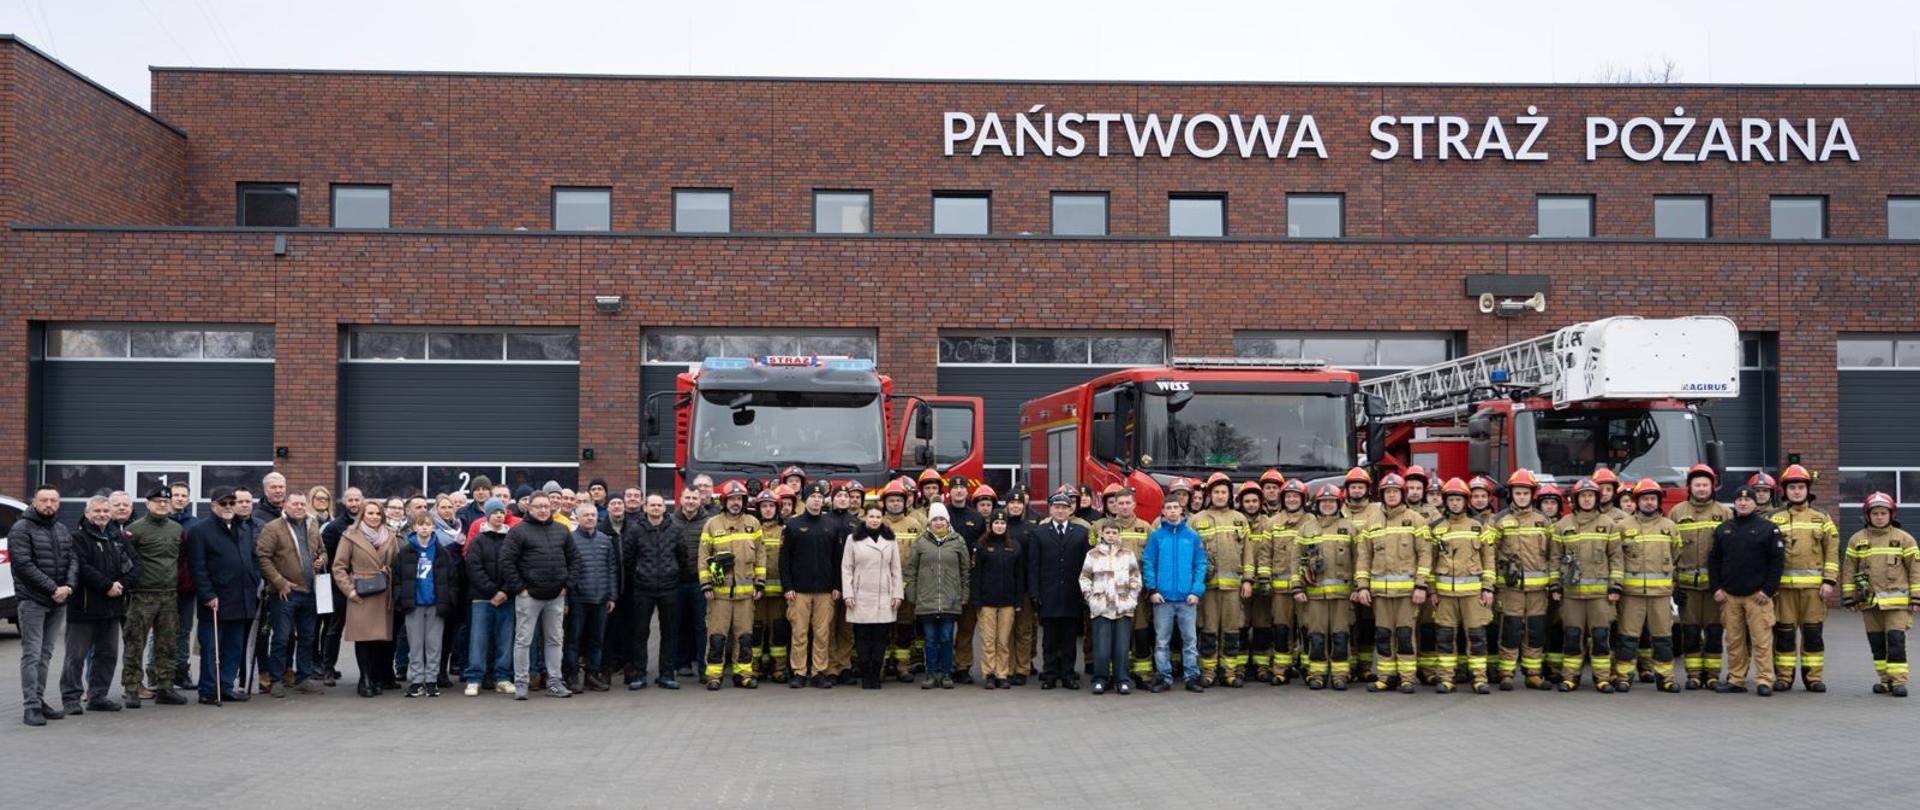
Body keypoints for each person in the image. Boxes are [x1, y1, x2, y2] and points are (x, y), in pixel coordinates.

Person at [61, 495, 138, 715]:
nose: (102, 515)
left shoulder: (118, 537)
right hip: (84, 609)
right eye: (97, 511)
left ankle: (98, 696)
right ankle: (71, 698)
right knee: (75, 657)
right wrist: (107, 586)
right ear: (87, 514)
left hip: (112, 608)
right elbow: (82, 567)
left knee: (107, 655)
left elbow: (136, 565)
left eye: (105, 511)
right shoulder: (77, 538)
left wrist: (121, 585)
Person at [1768, 464, 1841, 692]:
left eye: (1800, 487)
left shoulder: (1821, 518)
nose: (1797, 491)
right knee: (1784, 636)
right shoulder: (1774, 518)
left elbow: (1832, 550)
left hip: (1813, 591)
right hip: (1783, 591)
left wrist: (1829, 582)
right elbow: (1765, 553)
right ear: (1785, 491)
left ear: (1807, 489)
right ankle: (1784, 678)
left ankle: (1813, 679)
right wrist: (1770, 585)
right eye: (1792, 487)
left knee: (1812, 636)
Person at [1353, 473, 1429, 694]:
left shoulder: (1416, 520)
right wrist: (1363, 586)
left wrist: (1421, 586)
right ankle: (1386, 677)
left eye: (1395, 491)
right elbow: (1363, 557)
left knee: (1405, 635)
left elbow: (1425, 555)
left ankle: (1407, 678)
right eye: (1388, 492)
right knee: (1383, 635)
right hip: (1380, 594)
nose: (1392, 495)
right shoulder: (1371, 523)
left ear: (1401, 494)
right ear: (1382, 495)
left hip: (1407, 594)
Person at [186, 487, 263, 705]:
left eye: (232, 503)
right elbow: (197, 568)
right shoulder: (200, 531)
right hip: (216, 600)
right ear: (213, 506)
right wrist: (208, 594)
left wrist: (254, 580)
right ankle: (209, 689)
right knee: (212, 648)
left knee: (234, 646)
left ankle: (226, 685)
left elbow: (252, 558)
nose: (229, 507)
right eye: (224, 504)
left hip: (242, 597)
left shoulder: (243, 527)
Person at [1841, 492, 1919, 697]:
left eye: (1884, 513)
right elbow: (1849, 570)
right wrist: (1849, 596)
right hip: (1870, 603)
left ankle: (1899, 682)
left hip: (1897, 604)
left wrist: (1916, 598)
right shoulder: (1857, 540)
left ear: (1891, 514)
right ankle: (1885, 680)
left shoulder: (1904, 539)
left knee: (1895, 641)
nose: (1879, 517)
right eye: (1875, 513)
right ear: (1868, 515)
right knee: (1876, 644)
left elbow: (1915, 570)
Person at [1711, 486, 1786, 695]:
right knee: (1734, 641)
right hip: (1730, 596)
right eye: (1739, 500)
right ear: (1734, 504)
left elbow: (1777, 562)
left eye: (1748, 500)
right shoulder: (1724, 529)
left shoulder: (1768, 529)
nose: (1743, 503)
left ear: (1755, 503)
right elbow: (1714, 561)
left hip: (1758, 597)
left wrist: (1768, 590)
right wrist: (1716, 588)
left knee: (1761, 641)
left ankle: (1764, 681)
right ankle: (1736, 680)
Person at [1548, 479, 1621, 693]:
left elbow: (1616, 558)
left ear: (1597, 499)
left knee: (1600, 638)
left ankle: (1602, 679)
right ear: (1576, 499)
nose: (1587, 499)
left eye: (1591, 495)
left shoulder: (1608, 524)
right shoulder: (1562, 525)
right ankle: (1570, 678)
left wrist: (1615, 587)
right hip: (1571, 595)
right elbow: (1554, 559)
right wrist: (1555, 586)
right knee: (1571, 638)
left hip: (1600, 596)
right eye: (1583, 496)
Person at [13, 485, 78, 726]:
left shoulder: (61, 529)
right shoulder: (21, 528)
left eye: (53, 500)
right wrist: (53, 589)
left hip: (58, 601)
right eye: (44, 500)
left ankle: (39, 700)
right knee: (31, 654)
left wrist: (68, 587)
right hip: (33, 601)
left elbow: (73, 559)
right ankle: (30, 706)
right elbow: (23, 565)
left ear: (59, 503)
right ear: (34, 501)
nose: (49, 504)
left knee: (45, 654)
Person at [503, 492, 577, 700]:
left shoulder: (562, 530)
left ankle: (554, 682)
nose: (543, 510)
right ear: (529, 508)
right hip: (529, 596)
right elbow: (507, 562)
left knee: (555, 640)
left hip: (556, 596)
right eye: (539, 506)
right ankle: (521, 683)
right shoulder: (518, 532)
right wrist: (520, 588)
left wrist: (566, 586)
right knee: (523, 640)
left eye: (546, 506)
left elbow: (575, 560)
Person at [254, 490, 327, 697]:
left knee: (307, 637)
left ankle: (303, 677)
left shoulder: (312, 525)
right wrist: (279, 582)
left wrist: (322, 559)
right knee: (282, 638)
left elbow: (322, 550)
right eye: (295, 504)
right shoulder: (273, 528)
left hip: (309, 592)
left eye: (303, 504)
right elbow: (263, 556)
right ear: (285, 505)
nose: (299, 508)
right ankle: (276, 679)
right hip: (285, 593)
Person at [121, 487, 188, 708]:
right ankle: (131, 688)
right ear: (147, 503)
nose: (162, 505)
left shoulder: (176, 529)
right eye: (157, 501)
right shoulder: (135, 530)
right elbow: (124, 561)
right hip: (142, 595)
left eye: (165, 501)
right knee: (135, 643)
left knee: (167, 643)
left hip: (168, 595)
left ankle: (165, 687)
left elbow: (179, 559)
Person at [1426, 478, 1494, 694]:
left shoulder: (1479, 527)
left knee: (1476, 637)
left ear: (1466, 502)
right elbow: (1429, 562)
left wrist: (1488, 588)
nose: (1455, 504)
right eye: (1451, 499)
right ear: (1446, 502)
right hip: (1445, 595)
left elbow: (1489, 560)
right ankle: (1447, 679)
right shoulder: (1436, 529)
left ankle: (1479, 679)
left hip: (1474, 595)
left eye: (1458, 499)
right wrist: (1432, 590)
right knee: (1445, 638)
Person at [1613, 479, 1682, 693]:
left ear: (1659, 501)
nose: (1649, 503)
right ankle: (1624, 677)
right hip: (1631, 594)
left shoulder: (1669, 527)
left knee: (1663, 638)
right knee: (1627, 638)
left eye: (1653, 499)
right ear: (1636, 502)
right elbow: (1616, 557)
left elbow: (1676, 554)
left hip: (1660, 595)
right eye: (1645, 499)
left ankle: (1666, 678)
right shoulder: (1623, 527)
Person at [1669, 464, 1732, 690]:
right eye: (1697, 484)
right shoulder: (1677, 512)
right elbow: (1670, 552)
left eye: (1705, 484)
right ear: (1690, 487)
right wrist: (1673, 584)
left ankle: (1713, 674)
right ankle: (1694, 675)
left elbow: (1731, 552)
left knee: (1715, 632)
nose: (1702, 488)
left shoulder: (1725, 513)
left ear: (1712, 487)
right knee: (1691, 633)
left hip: (1715, 588)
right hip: (1688, 588)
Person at [1490, 471, 1554, 690]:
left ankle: (1533, 674)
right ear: (1511, 495)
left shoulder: (1542, 521)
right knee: (1511, 629)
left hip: (1538, 590)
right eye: (1518, 493)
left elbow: (1552, 555)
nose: (1522, 497)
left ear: (1532, 494)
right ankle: (1506, 673)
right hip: (1511, 589)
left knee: (1535, 630)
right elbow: (1491, 554)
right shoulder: (1499, 521)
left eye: (1526, 493)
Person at [700, 480, 764, 690]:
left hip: (746, 595)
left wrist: (760, 583)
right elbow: (703, 557)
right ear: (724, 501)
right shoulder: (712, 524)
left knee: (744, 636)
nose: (735, 503)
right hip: (719, 594)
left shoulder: (753, 523)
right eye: (732, 499)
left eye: (739, 499)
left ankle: (743, 674)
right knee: (717, 636)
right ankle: (714, 675)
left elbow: (761, 555)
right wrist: (706, 585)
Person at [1191, 473, 1254, 688]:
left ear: (1229, 495)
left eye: (1223, 492)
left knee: (1232, 631)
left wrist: (1247, 580)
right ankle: (1208, 672)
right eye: (1216, 492)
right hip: (1207, 587)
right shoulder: (1197, 520)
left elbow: (1248, 553)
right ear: (1210, 494)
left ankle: (1229, 672)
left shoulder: (1240, 519)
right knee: (1208, 630)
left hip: (1233, 588)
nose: (1220, 496)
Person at [621, 493, 688, 690]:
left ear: (664, 508)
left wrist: (675, 576)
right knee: (640, 633)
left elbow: (682, 557)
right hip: (643, 589)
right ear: (646, 508)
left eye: (660, 505)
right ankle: (639, 674)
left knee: (669, 633)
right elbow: (628, 558)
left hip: (669, 589)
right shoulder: (635, 531)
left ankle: (666, 674)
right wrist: (639, 577)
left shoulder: (675, 530)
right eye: (653, 505)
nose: (656, 508)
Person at [780, 482, 843, 689]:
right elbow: (784, 560)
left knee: (822, 633)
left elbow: (837, 559)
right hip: (799, 591)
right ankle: (799, 671)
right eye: (812, 497)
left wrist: (837, 585)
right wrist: (788, 587)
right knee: (799, 633)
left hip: (825, 590)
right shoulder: (793, 525)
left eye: (819, 498)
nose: (816, 500)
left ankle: (819, 672)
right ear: (805, 500)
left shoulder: (831, 525)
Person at [1295, 484, 1357, 691]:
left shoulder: (1350, 527)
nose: (1328, 505)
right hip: (1314, 596)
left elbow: (1359, 559)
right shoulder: (1307, 528)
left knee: (1341, 636)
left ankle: (1340, 675)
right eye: (1324, 502)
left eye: (1331, 501)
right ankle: (1317, 674)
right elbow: (1297, 559)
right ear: (1317, 505)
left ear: (1338, 504)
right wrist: (1298, 587)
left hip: (1342, 595)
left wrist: (1359, 586)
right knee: (1317, 637)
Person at [333, 500, 396, 698]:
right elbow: (339, 566)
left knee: (379, 639)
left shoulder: (390, 536)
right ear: (362, 515)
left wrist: (389, 571)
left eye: (378, 513)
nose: (375, 516)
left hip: (383, 591)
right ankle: (364, 678)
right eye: (370, 513)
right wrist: (349, 591)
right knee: (363, 638)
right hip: (361, 592)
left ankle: (375, 677)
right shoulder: (350, 536)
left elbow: (397, 562)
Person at [1144, 495, 1207, 693]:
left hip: (1187, 599)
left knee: (1190, 641)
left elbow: (1201, 564)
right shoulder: (1156, 537)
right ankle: (1163, 677)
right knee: (1162, 642)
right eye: (1168, 508)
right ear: (1163, 512)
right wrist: (1152, 590)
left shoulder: (1192, 536)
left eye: (1175, 507)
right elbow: (1148, 563)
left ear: (1182, 510)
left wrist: (1196, 591)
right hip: (1162, 599)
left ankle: (1192, 677)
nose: (1172, 511)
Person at [1029, 491, 1091, 690]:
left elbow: (1086, 567)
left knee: (1069, 639)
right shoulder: (1039, 533)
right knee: (1049, 639)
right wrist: (1035, 593)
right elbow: (1033, 566)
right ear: (1051, 509)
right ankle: (1049, 674)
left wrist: (1084, 594)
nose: (1061, 511)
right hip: (1048, 594)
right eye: (1057, 507)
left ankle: (1068, 674)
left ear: (1070, 509)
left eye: (1064, 507)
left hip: (1072, 595)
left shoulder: (1081, 533)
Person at [906, 503, 970, 689]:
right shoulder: (921, 542)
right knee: (931, 639)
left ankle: (947, 674)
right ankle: (931, 673)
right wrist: (913, 595)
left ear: (947, 521)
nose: (939, 523)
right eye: (935, 519)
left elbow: (965, 570)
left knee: (946, 637)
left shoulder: (958, 541)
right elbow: (911, 570)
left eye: (942, 519)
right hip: (927, 599)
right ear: (930, 522)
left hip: (950, 599)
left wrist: (964, 594)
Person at [395, 512, 458, 697]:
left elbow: (452, 579)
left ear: (433, 527)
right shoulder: (405, 552)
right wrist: (401, 598)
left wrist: (448, 598)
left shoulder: (441, 552)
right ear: (414, 527)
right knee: (415, 644)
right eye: (420, 524)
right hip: (414, 604)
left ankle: (431, 680)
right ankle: (416, 681)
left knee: (434, 644)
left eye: (428, 524)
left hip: (435, 604)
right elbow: (397, 578)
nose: (424, 527)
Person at [842, 505, 903, 689]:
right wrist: (848, 593)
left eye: (878, 516)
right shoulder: (853, 539)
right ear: (865, 518)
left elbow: (896, 569)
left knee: (880, 639)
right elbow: (846, 568)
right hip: (860, 596)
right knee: (862, 638)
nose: (875, 520)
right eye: (871, 516)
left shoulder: (890, 539)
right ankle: (866, 674)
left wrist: (897, 593)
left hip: (884, 596)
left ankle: (876, 673)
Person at [1080, 521, 1142, 695]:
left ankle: (1122, 679)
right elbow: (1084, 578)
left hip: (1122, 607)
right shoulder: (1093, 555)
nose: (1111, 536)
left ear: (1119, 535)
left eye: (1114, 532)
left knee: (1122, 647)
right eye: (1108, 532)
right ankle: (1100, 679)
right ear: (1102, 534)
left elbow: (1135, 578)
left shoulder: (1127, 554)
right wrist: (1091, 599)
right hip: (1101, 607)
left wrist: (1131, 600)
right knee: (1101, 647)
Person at [462, 499, 517, 696]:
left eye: (501, 512)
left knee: (505, 640)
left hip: (507, 599)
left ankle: (502, 678)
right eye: (494, 512)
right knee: (478, 640)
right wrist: (492, 592)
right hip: (482, 599)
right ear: (487, 515)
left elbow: (516, 568)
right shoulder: (478, 540)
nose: (499, 515)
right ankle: (474, 678)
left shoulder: (512, 539)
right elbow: (474, 569)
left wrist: (505, 592)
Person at [1258, 480, 1309, 686]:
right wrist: (1264, 578)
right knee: (1281, 629)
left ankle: (1308, 667)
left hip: (1306, 588)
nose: (1292, 499)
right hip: (1280, 589)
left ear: (1303, 499)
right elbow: (1265, 553)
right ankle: (1281, 669)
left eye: (1296, 496)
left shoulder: (1311, 521)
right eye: (1288, 496)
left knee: (1306, 629)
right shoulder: (1272, 523)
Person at [563, 505, 619, 692]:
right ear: (577, 518)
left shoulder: (605, 540)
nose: (590, 518)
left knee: (597, 640)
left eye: (593, 515)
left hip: (601, 599)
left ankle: (592, 675)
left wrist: (612, 595)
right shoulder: (570, 540)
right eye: (585, 515)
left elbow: (612, 569)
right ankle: (571, 676)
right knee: (573, 640)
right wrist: (567, 600)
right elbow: (566, 570)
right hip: (578, 599)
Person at [877, 480, 926, 681]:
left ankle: (902, 667)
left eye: (898, 500)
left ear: (905, 502)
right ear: (885, 502)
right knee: (883, 628)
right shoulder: (878, 523)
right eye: (892, 500)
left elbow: (921, 555)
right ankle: (881, 665)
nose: (895, 503)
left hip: (907, 587)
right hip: (882, 587)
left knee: (905, 627)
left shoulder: (915, 526)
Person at [971, 510, 1025, 690]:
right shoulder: (982, 546)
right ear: (990, 525)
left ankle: (1002, 674)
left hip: (1008, 602)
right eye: (996, 523)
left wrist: (1018, 601)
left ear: (1006, 526)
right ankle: (989, 674)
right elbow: (976, 575)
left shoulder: (1014, 546)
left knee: (1003, 641)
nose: (999, 526)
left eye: (1002, 523)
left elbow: (1019, 576)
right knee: (988, 641)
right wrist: (976, 600)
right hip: (987, 602)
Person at [318, 486, 364, 686]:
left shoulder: (369, 523)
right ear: (344, 502)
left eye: (357, 499)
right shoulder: (334, 527)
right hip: (339, 587)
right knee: (333, 629)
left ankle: (368, 672)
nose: (354, 503)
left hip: (365, 586)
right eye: (350, 500)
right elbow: (327, 560)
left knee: (365, 631)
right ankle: (328, 668)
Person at [751, 488, 792, 683]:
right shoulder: (751, 529)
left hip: (779, 593)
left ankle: (779, 668)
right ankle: (755, 667)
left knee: (779, 629)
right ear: (758, 509)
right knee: (756, 630)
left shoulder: (785, 530)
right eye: (764, 506)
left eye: (771, 506)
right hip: (755, 592)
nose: (767, 510)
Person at [670, 488, 710, 678]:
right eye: (688, 497)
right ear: (681, 499)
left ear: (700, 501)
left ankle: (704, 667)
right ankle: (681, 663)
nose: (691, 501)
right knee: (678, 624)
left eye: (695, 498)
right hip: (676, 582)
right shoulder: (670, 520)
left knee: (701, 626)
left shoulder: (708, 522)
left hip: (699, 582)